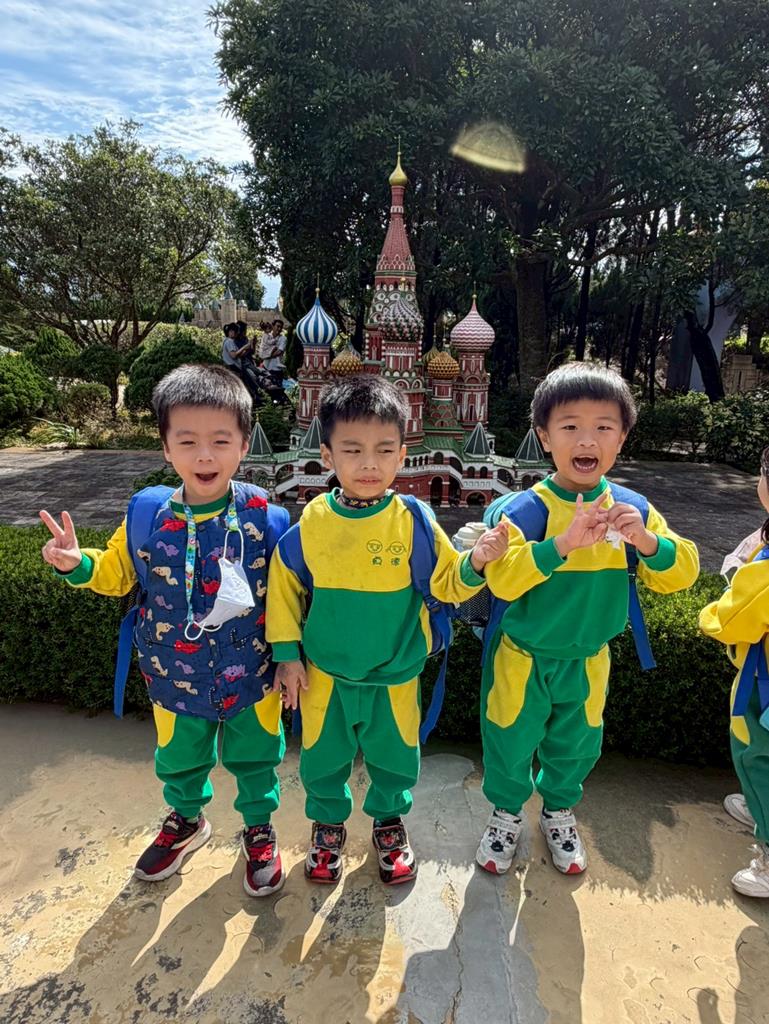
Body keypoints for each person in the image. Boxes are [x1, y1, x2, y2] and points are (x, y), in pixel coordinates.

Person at [39, 364, 290, 897]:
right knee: (179, 758)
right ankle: (186, 820)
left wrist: (293, 657)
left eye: (220, 441)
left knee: (257, 757)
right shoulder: (149, 514)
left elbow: (291, 598)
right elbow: (116, 572)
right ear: (166, 447)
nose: (205, 456)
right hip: (173, 675)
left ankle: (258, 827)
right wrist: (76, 564)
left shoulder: (267, 518)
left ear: (244, 444)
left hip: (253, 675)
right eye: (188, 441)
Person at [265, 375, 509, 885]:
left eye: (383, 450)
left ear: (402, 455)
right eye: (352, 450)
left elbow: (447, 581)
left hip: (396, 673)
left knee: (395, 758)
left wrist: (476, 562)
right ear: (327, 455)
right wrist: (287, 654)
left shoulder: (414, 520)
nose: (369, 464)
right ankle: (327, 826)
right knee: (322, 759)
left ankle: (389, 823)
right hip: (325, 675)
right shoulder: (313, 522)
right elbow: (284, 586)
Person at [476, 362, 699, 876]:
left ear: (622, 438)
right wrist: (560, 546)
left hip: (589, 659)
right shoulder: (527, 511)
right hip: (522, 659)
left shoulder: (633, 508)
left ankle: (558, 811)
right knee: (509, 739)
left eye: (603, 426)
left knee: (576, 744)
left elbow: (683, 571)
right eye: (570, 426)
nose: (587, 439)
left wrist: (647, 541)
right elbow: (502, 581)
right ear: (544, 436)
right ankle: (506, 813)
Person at [700, 444, 769, 897]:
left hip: (764, 687)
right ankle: (760, 807)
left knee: (756, 756)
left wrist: (714, 606)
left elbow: (728, 620)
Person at [260, 319, 287, 388]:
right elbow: (262, 349)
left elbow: (279, 352)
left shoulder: (283, 338)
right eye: (278, 326)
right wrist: (264, 354)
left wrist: (266, 355)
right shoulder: (266, 336)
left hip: (276, 369)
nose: (279, 329)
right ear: (273, 326)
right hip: (265, 367)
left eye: (281, 327)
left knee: (277, 389)